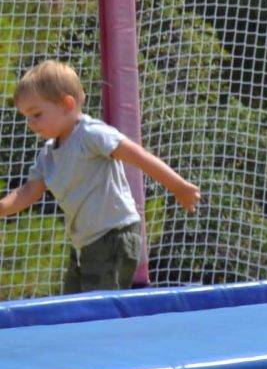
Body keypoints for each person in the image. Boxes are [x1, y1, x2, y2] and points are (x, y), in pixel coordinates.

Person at [0, 60, 201, 293]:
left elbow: (138, 156)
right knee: (74, 307)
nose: (31, 124)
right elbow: (27, 192)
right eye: (26, 116)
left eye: (36, 114)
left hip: (113, 236)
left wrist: (179, 186)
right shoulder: (47, 155)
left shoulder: (90, 134)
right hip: (83, 243)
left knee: (99, 308)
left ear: (66, 104)